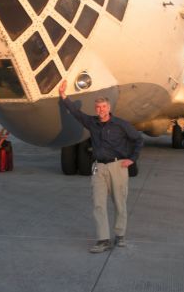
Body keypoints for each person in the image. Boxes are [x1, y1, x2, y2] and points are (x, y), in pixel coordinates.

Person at [59, 80, 143, 253]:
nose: (101, 110)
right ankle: (103, 240)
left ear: (108, 107)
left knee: (119, 203)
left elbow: (138, 140)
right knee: (98, 204)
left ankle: (120, 235)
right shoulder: (92, 123)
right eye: (98, 107)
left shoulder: (121, 124)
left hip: (117, 166)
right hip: (99, 168)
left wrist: (132, 159)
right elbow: (76, 112)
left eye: (103, 107)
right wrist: (63, 96)